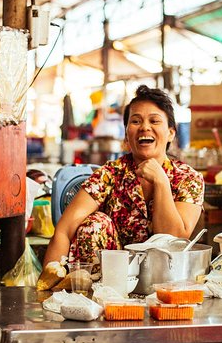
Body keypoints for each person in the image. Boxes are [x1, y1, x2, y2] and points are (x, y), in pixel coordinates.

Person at [42, 85, 204, 274]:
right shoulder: (110, 173)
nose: (144, 127)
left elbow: (172, 240)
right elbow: (63, 230)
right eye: (135, 121)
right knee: (94, 224)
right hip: (111, 282)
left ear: (171, 133)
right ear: (127, 134)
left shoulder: (189, 178)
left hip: (165, 278)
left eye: (154, 121)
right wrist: (47, 284)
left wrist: (161, 181)